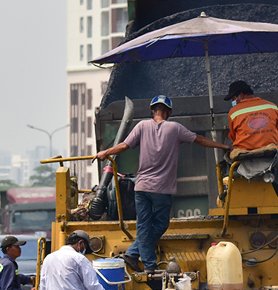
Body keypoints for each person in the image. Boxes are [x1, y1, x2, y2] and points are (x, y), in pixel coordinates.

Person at [96, 95, 230, 272]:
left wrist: (105, 152)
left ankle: (134, 255)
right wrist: (223, 147)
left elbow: (124, 145)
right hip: (161, 189)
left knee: (143, 225)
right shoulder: (175, 128)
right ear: (169, 112)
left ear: (152, 110)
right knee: (160, 225)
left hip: (141, 187)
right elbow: (198, 139)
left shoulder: (142, 126)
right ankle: (148, 264)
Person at [226, 81, 278, 152]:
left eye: (233, 99)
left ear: (241, 95)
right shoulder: (272, 107)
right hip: (271, 153)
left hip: (244, 155)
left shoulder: (234, 112)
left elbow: (233, 136)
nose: (233, 101)